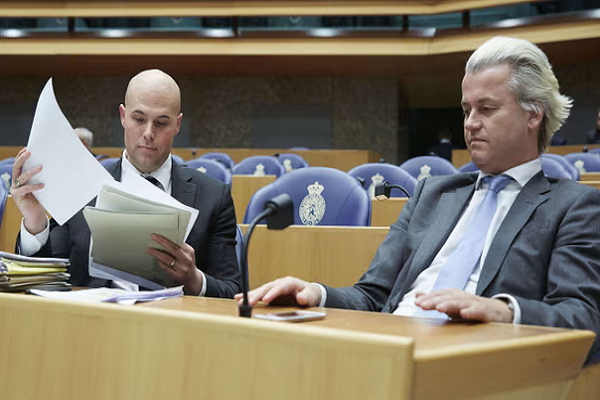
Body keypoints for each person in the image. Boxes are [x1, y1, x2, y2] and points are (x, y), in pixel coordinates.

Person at [239, 37, 600, 359]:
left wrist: (504, 311)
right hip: (389, 349)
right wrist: (315, 293)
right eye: (466, 110)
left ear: (533, 114)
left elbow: (584, 318)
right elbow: (372, 297)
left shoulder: (573, 206)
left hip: (471, 361)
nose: (470, 123)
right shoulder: (433, 194)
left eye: (487, 109)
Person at [10, 69, 241, 298]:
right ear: (123, 115)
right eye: (139, 119)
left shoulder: (213, 196)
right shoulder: (83, 185)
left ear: (178, 124)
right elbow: (47, 279)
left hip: (172, 328)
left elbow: (233, 292)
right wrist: (35, 221)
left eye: (161, 122)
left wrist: (194, 280)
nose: (148, 133)